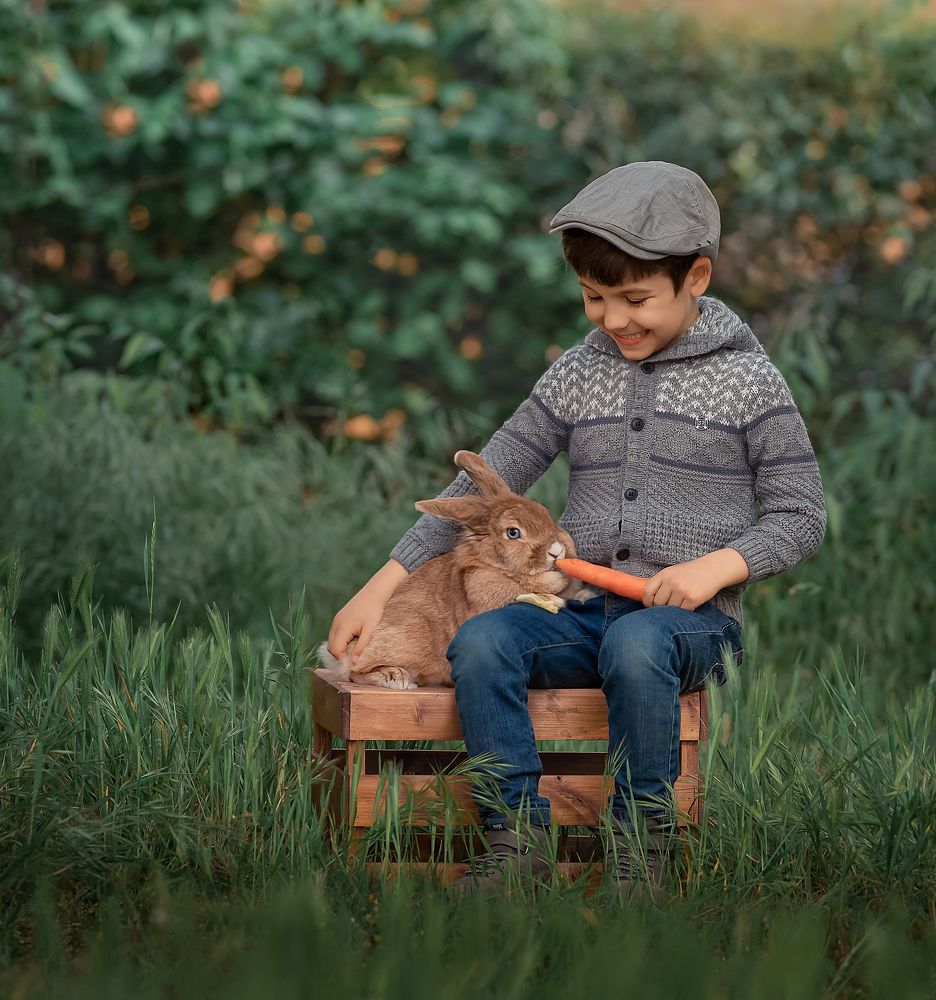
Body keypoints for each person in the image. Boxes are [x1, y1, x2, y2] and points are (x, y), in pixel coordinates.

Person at [325, 161, 827, 898]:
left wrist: (715, 568)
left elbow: (801, 515)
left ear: (696, 276)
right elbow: (487, 481)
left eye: (635, 299)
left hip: (687, 627)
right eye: (594, 298)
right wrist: (382, 585)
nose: (613, 320)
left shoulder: (749, 382)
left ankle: (641, 847)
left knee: (638, 642)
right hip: (581, 612)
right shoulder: (579, 373)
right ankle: (515, 839)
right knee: (485, 641)